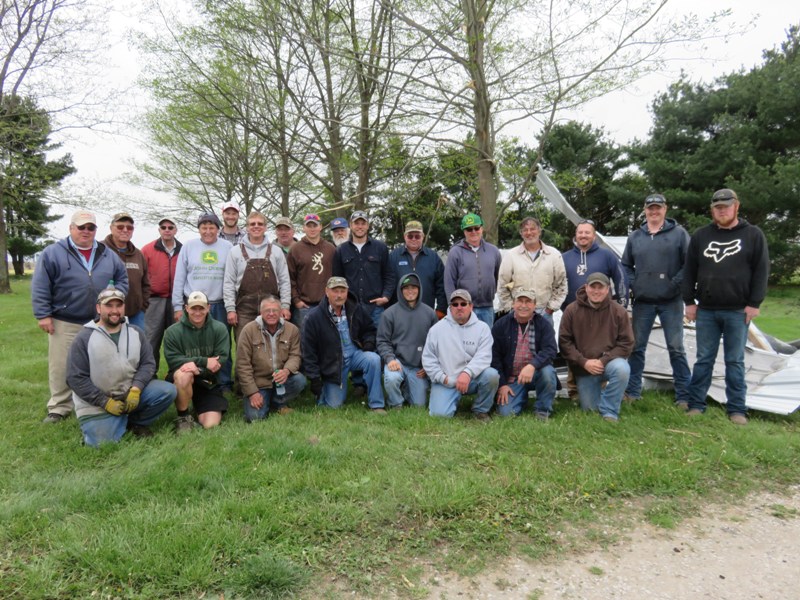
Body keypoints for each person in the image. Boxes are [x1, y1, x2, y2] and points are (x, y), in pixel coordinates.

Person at [682, 188, 770, 425]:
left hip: (738, 310)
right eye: (718, 207)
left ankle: (737, 409)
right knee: (703, 359)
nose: (722, 211)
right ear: (712, 210)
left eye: (726, 207)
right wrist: (689, 302)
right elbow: (689, 271)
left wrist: (754, 303)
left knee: (735, 361)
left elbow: (761, 271)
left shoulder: (753, 235)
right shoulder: (701, 236)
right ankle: (696, 404)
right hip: (707, 310)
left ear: (736, 207)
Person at [32, 210, 129, 423]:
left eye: (90, 227)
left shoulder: (107, 253)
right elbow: (40, 285)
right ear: (71, 228)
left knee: (100, 363)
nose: (86, 231)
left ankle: (97, 401)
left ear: (95, 230)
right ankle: (59, 406)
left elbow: (122, 278)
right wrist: (43, 314)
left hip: (99, 322)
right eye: (81, 227)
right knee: (61, 365)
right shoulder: (53, 252)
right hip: (65, 318)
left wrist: (114, 297)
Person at [66, 287, 176, 447]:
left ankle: (135, 422)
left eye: (119, 305)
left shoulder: (136, 332)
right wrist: (104, 401)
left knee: (167, 391)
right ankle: (113, 421)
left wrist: (136, 389)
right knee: (102, 444)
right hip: (97, 403)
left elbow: (148, 363)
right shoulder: (84, 338)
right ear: (98, 308)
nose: (115, 311)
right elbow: (75, 378)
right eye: (109, 306)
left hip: (131, 394)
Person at [621, 194, 691, 408]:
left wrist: (674, 284)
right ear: (645, 210)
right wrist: (635, 284)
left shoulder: (679, 234)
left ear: (665, 209)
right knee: (637, 347)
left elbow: (688, 264)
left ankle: (684, 395)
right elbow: (625, 265)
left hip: (671, 301)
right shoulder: (635, 237)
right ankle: (633, 391)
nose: (654, 211)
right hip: (643, 302)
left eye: (657, 208)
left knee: (676, 347)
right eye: (650, 208)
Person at [301, 276, 386, 413]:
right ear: (326, 292)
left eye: (342, 291)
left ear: (347, 292)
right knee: (333, 405)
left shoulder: (356, 308)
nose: (339, 295)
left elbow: (369, 329)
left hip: (354, 355)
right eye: (335, 291)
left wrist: (369, 343)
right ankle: (324, 392)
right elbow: (308, 352)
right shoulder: (314, 317)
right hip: (333, 363)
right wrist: (314, 378)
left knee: (373, 359)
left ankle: (377, 404)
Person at [558, 272, 634, 422]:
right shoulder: (571, 310)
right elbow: (564, 342)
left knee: (622, 369)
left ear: (607, 289)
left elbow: (626, 343)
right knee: (590, 410)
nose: (596, 291)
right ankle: (604, 397)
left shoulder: (619, 311)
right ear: (586, 288)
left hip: (608, 363)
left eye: (601, 287)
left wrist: (603, 361)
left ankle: (610, 411)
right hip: (584, 369)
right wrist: (583, 362)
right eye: (593, 287)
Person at [172, 212, 233, 391]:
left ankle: (224, 382)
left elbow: (231, 276)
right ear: (199, 229)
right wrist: (177, 306)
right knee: (193, 344)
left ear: (218, 229)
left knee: (223, 345)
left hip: (219, 303)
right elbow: (179, 278)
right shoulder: (189, 246)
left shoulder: (227, 246)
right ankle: (195, 379)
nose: (208, 231)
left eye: (211, 227)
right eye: (204, 228)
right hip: (194, 305)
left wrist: (231, 306)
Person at [421, 289, 499, 420]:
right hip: (446, 380)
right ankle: (450, 398)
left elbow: (484, 357)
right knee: (439, 415)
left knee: (491, 375)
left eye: (463, 304)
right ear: (450, 307)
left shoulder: (483, 328)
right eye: (455, 304)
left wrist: (467, 373)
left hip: (472, 379)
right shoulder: (436, 330)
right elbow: (428, 359)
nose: (459, 307)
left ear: (471, 306)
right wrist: (443, 378)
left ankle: (480, 410)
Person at [163, 291, 231, 431]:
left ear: (208, 308)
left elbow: (220, 360)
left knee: (210, 424)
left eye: (201, 308)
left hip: (208, 380)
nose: (197, 312)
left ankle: (198, 406)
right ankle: (183, 417)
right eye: (194, 308)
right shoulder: (172, 332)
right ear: (186, 308)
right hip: (182, 376)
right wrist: (204, 361)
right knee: (184, 374)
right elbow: (173, 360)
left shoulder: (219, 328)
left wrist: (198, 369)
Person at [223, 211, 292, 342]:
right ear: (247, 227)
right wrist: (230, 309)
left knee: (272, 346)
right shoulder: (235, 251)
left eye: (260, 224)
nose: (256, 226)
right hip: (244, 309)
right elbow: (229, 282)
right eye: (252, 224)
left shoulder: (276, 251)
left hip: (271, 308)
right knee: (244, 346)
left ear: (265, 227)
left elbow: (284, 281)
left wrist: (285, 306)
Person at [236, 296, 306, 420]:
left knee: (299, 380)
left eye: (275, 310)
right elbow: (242, 365)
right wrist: (252, 393)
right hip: (258, 383)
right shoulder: (248, 330)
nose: (271, 314)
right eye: (267, 310)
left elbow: (295, 356)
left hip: (281, 381)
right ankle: (269, 402)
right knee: (255, 417)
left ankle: (276, 402)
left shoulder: (292, 330)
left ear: (281, 312)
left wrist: (286, 371)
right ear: (260, 312)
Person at [491, 289, 558, 419]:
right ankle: (521, 397)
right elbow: (494, 357)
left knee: (548, 372)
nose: (523, 305)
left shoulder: (544, 324)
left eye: (528, 301)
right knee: (506, 414)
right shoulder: (500, 325)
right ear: (513, 304)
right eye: (520, 301)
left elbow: (550, 350)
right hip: (512, 378)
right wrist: (502, 384)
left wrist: (532, 366)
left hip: (535, 374)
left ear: (535, 305)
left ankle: (543, 411)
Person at [377, 274, 439, 408]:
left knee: (419, 405)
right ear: (400, 290)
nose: (410, 291)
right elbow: (382, 341)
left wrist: (428, 365)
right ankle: (396, 403)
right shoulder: (389, 314)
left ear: (419, 289)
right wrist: (390, 359)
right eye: (406, 288)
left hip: (418, 367)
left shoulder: (430, 313)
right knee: (392, 378)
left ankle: (405, 389)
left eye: (414, 287)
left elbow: (436, 344)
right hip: (397, 362)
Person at [333, 210, 394, 329]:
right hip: (350, 308)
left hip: (375, 308)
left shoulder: (380, 248)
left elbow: (389, 275)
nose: (360, 227)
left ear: (368, 226)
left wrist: (386, 296)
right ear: (351, 225)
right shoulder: (341, 250)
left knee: (378, 339)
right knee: (350, 340)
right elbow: (337, 279)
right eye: (356, 223)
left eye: (363, 223)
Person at [497, 217, 566, 323]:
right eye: (525, 230)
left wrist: (550, 309)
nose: (529, 233)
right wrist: (511, 307)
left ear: (539, 231)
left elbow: (561, 285)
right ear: (521, 233)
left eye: (532, 229)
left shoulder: (554, 255)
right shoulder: (511, 256)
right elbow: (503, 285)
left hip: (544, 313)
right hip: (518, 312)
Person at [142, 217, 183, 372]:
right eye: (163, 227)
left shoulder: (183, 249)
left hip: (176, 301)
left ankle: (177, 375)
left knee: (177, 340)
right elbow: (141, 275)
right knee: (151, 340)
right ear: (159, 230)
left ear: (175, 230)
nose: (167, 230)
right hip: (154, 300)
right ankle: (149, 375)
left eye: (170, 227)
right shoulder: (148, 249)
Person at [287, 213, 336, 334]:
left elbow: (337, 275)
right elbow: (289, 278)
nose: (312, 229)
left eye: (315, 225)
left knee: (328, 337)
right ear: (304, 228)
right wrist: (296, 300)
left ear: (320, 227)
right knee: (305, 339)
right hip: (304, 306)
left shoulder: (330, 249)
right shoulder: (295, 249)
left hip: (327, 304)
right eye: (309, 226)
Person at [562, 219, 627, 308]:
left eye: (587, 232)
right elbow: (556, 285)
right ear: (576, 235)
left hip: (602, 311)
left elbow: (621, 279)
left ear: (594, 236)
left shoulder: (607, 255)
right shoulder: (564, 258)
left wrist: (622, 305)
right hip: (572, 312)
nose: (583, 235)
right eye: (580, 232)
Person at [388, 220, 447, 317]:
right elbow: (388, 283)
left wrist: (441, 310)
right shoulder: (393, 256)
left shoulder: (433, 257)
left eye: (417, 236)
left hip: (426, 313)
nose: (414, 239)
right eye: (410, 236)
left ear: (423, 237)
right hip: (398, 314)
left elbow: (441, 285)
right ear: (404, 236)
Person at [103, 212, 151, 331]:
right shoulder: (100, 250)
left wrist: (142, 307)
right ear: (111, 228)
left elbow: (146, 284)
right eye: (120, 227)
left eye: (129, 228)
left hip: (135, 314)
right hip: (106, 314)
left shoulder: (138, 254)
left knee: (137, 342)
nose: (125, 230)